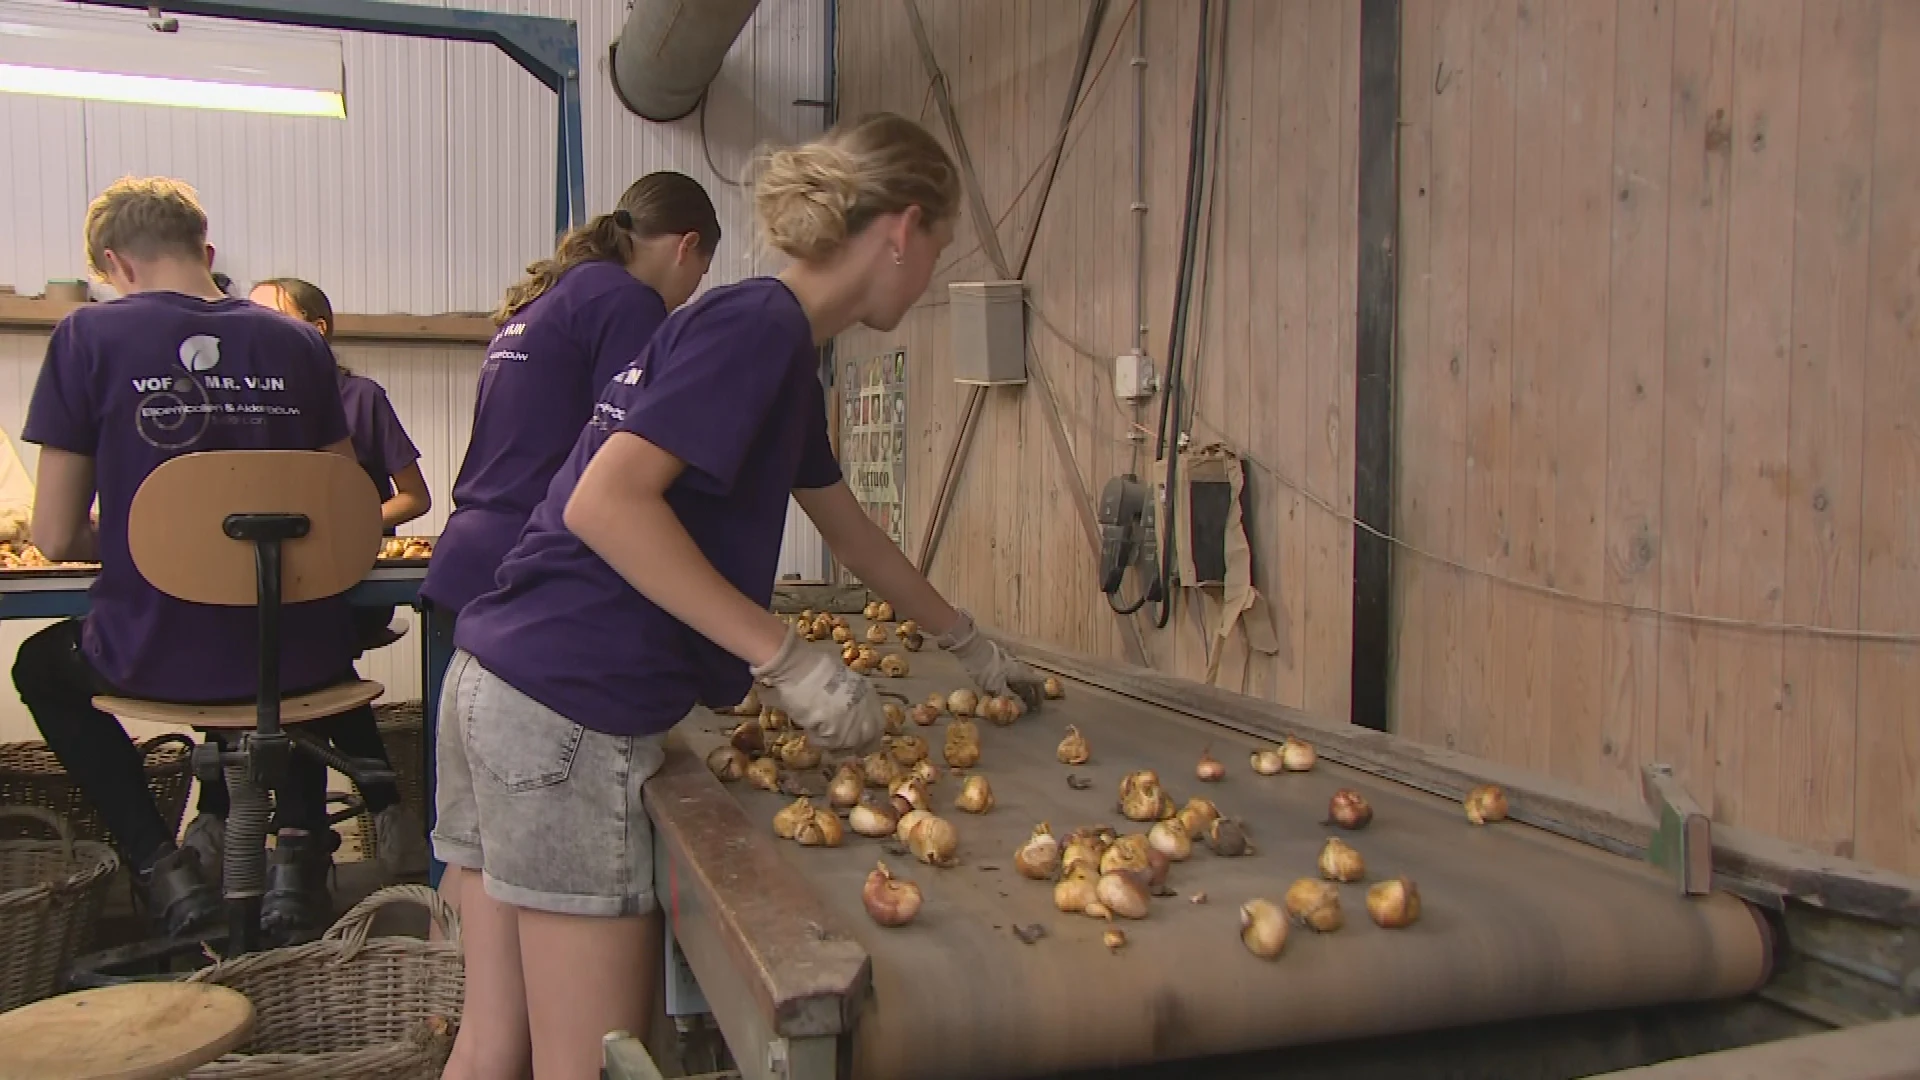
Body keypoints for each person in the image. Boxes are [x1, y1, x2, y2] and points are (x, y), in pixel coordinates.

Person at [432, 112, 1044, 1080]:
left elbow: (849, 531)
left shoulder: (768, 344)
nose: (931, 276)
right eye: (937, 249)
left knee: (492, 1043)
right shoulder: (758, 327)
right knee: (589, 1066)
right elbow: (606, 504)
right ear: (901, 230)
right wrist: (785, 659)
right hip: (567, 714)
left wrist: (966, 639)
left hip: (495, 684)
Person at [12, 177, 370, 944]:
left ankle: (160, 868)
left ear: (115, 263)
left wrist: (164, 542)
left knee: (41, 667)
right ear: (205, 251)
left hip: (159, 656)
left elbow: (53, 536)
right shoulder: (300, 342)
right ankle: (300, 858)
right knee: (277, 637)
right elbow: (350, 510)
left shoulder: (86, 337)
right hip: (303, 659)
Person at [159, 276, 432, 886]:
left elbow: (414, 496)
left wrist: (350, 529)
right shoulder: (242, 402)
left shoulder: (359, 399)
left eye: (270, 317)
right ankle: (334, 828)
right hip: (267, 604)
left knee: (280, 642)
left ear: (317, 331)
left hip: (338, 593)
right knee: (280, 649)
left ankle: (226, 823)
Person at [418, 171, 720, 623]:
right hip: (529, 569)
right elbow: (632, 453)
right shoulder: (629, 303)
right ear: (687, 246)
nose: (692, 290)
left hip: (466, 556)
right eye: (701, 271)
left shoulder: (548, 297)